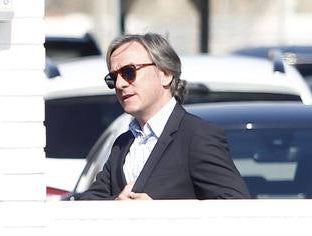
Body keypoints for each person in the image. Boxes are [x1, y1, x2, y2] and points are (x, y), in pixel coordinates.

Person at [76, 32, 250, 200]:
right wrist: (117, 204)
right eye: (113, 78)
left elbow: (234, 203)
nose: (120, 84)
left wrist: (162, 212)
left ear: (165, 74)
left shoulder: (197, 136)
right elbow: (89, 202)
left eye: (129, 72)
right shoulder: (123, 143)